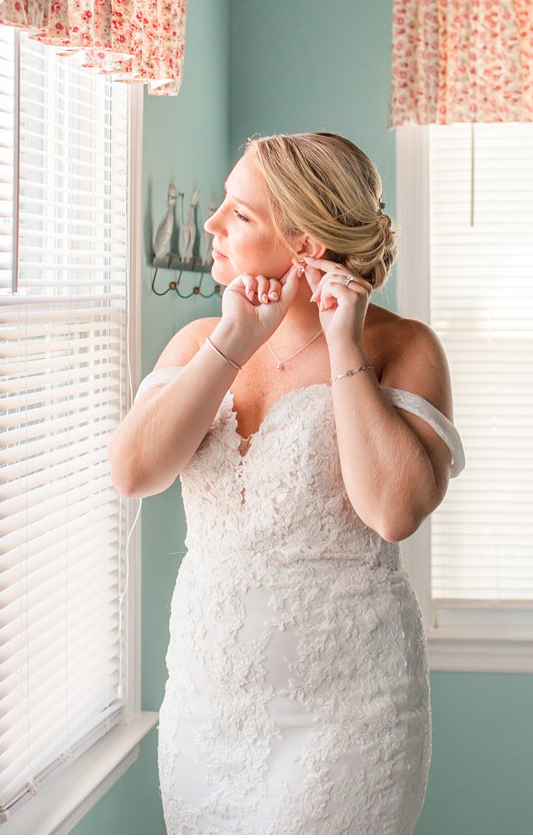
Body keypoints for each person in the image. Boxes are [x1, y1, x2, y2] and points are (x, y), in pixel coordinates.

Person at [109, 131, 466, 834]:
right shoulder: (199, 341)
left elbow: (392, 510)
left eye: (238, 215)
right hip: (206, 717)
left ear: (306, 241)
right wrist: (234, 341)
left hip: (348, 722)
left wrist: (343, 344)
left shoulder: (404, 348)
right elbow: (133, 471)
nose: (212, 225)